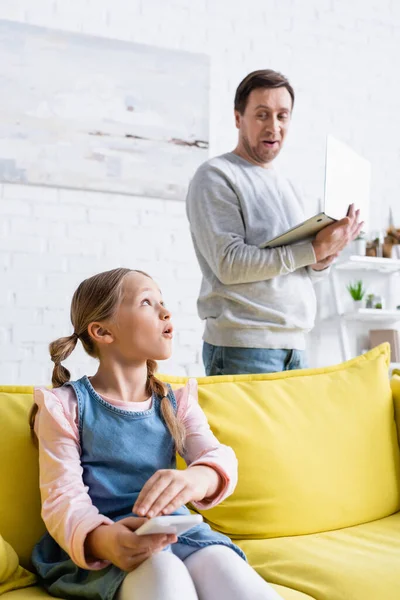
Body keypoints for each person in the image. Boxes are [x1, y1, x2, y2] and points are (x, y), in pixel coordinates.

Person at [30, 267, 283, 600]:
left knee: (225, 565)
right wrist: (104, 541)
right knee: (163, 572)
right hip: (107, 546)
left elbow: (218, 456)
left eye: (162, 301)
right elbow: (62, 499)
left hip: (180, 535)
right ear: (103, 331)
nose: (165, 311)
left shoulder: (177, 402)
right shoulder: (64, 406)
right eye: (147, 302)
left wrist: (197, 479)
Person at [186, 69, 363, 376]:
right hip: (244, 347)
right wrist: (313, 250)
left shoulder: (289, 187)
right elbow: (229, 264)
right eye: (262, 115)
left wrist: (323, 258)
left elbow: (302, 271)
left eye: (283, 116)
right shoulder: (216, 175)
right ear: (238, 118)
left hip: (296, 346)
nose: (274, 127)